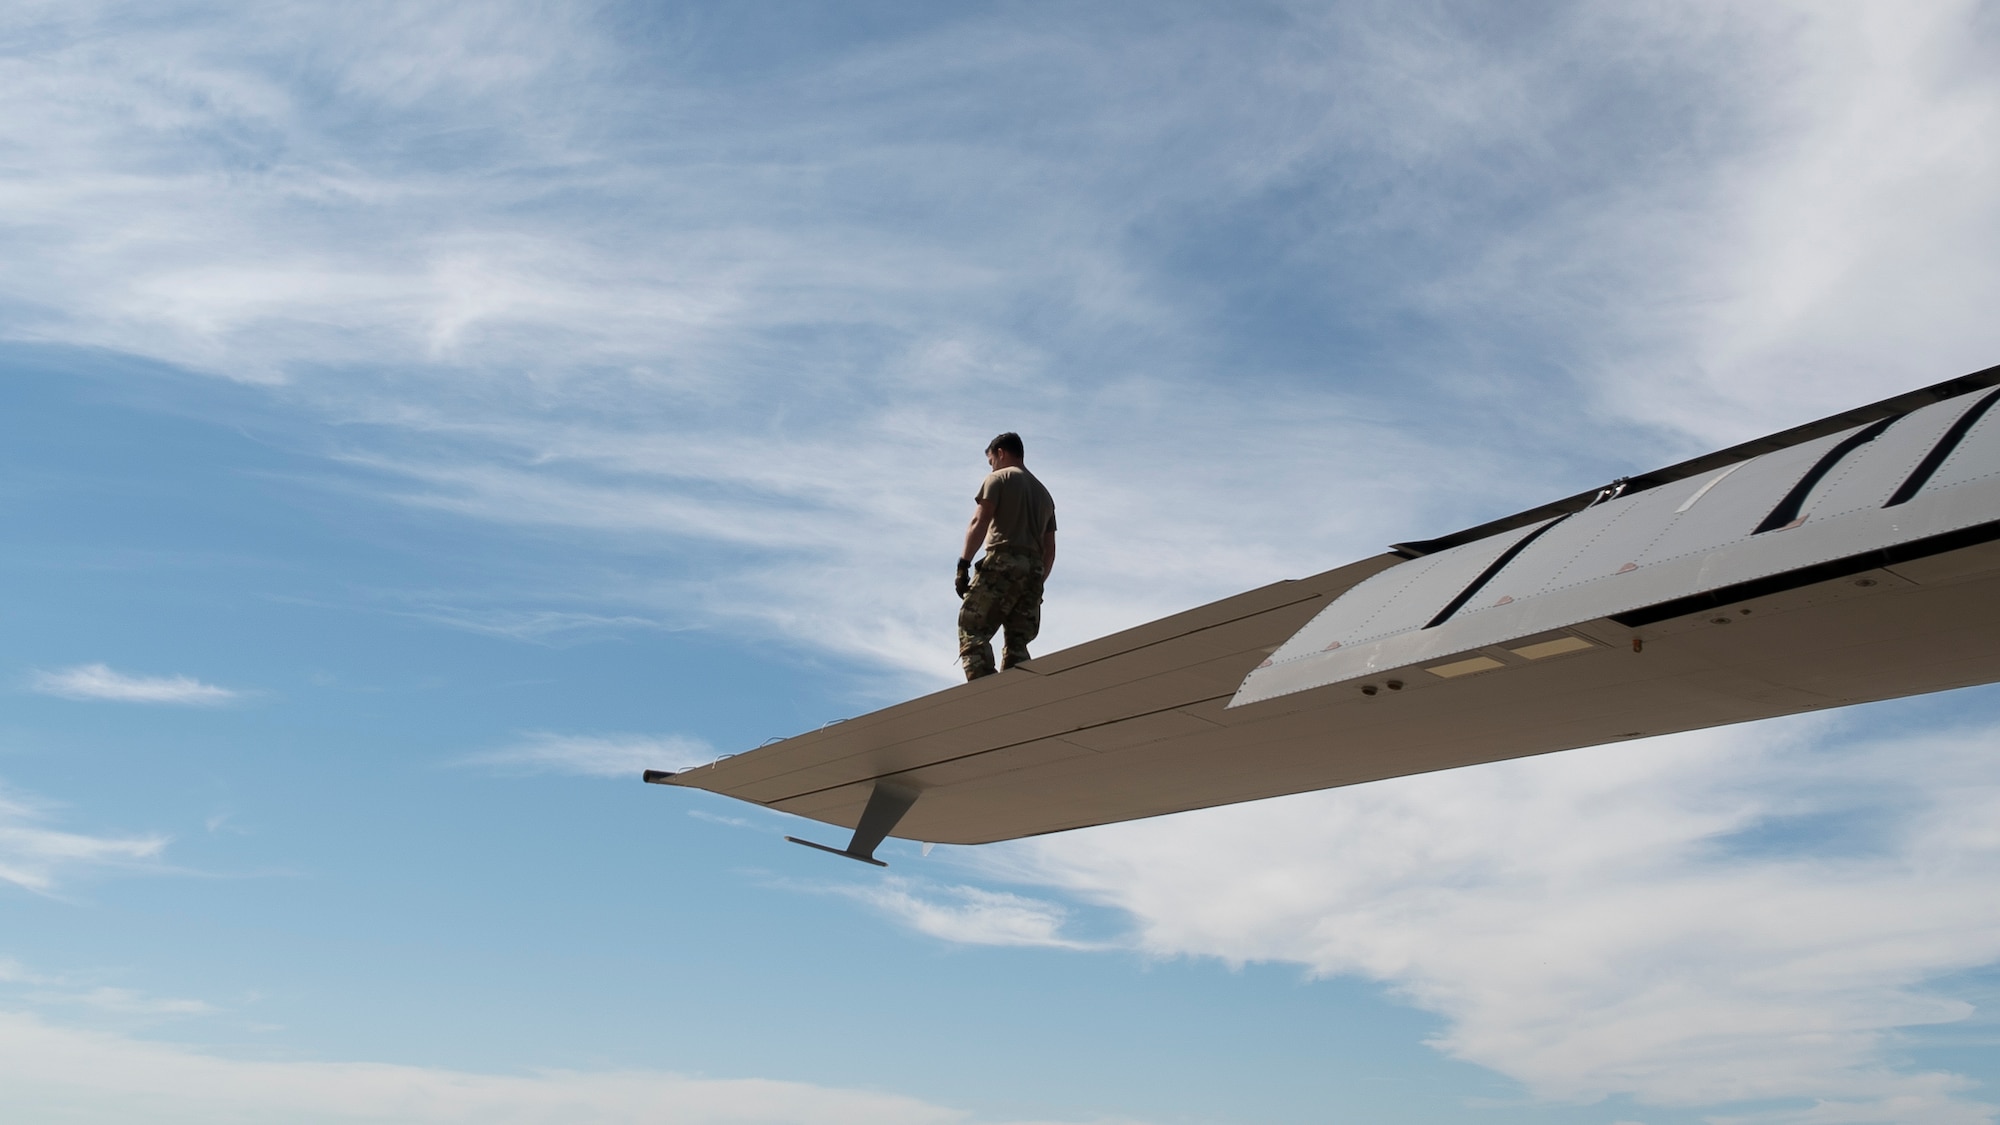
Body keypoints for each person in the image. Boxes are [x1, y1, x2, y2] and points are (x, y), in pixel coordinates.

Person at [955, 432, 1057, 680]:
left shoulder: (998, 478)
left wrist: (963, 564)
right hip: (1033, 571)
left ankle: (985, 689)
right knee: (1017, 642)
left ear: (1000, 453)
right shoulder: (1044, 495)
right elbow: (1050, 548)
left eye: (991, 460)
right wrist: (1036, 582)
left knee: (972, 626)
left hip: (1003, 561)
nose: (992, 465)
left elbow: (980, 521)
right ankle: (1017, 691)